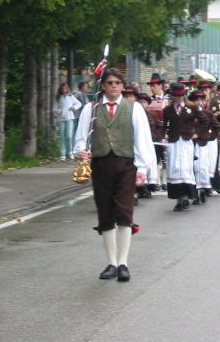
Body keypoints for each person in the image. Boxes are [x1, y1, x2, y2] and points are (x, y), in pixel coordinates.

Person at [74, 68, 155, 282]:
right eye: (109, 82)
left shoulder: (134, 109)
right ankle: (111, 262)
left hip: (126, 165)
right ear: (102, 85)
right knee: (105, 212)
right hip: (100, 165)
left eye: (117, 83)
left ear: (122, 85)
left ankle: (123, 263)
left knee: (124, 212)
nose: (113, 86)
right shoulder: (90, 110)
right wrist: (80, 151)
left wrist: (143, 169)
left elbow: (142, 140)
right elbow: (81, 138)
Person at [163, 83, 208, 212]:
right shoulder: (168, 110)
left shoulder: (192, 107)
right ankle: (178, 200)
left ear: (184, 95)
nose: (178, 98)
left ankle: (186, 198)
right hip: (173, 142)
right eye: (175, 96)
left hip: (186, 142)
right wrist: (165, 137)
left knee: (185, 168)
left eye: (180, 96)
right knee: (174, 168)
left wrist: (197, 133)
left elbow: (205, 121)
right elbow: (165, 126)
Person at [54, 83, 82, 162]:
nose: (64, 90)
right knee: (62, 137)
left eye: (65, 88)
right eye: (62, 89)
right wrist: (60, 111)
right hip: (61, 119)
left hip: (70, 118)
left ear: (67, 89)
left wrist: (74, 108)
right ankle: (62, 154)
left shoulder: (70, 96)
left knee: (69, 136)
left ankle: (70, 152)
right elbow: (54, 108)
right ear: (60, 89)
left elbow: (79, 103)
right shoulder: (58, 97)